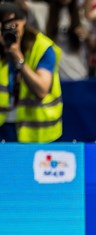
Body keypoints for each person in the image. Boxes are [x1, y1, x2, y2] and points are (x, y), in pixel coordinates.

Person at [0, 0, 62, 143]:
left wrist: (18, 58)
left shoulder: (42, 47)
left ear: (24, 21)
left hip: (35, 131)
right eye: (4, 25)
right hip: (4, 127)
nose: (9, 29)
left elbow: (41, 90)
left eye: (13, 23)